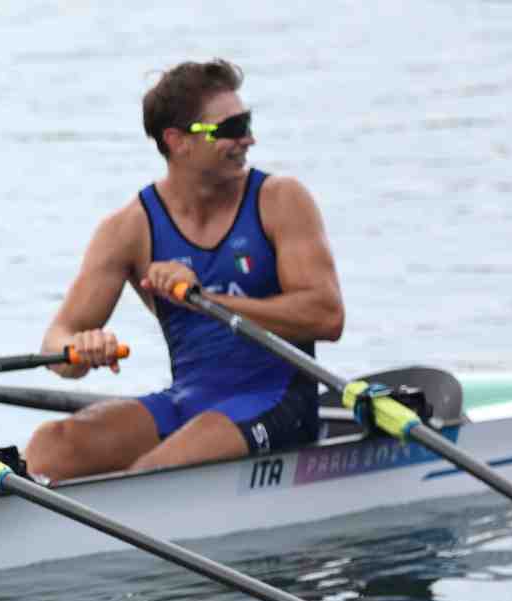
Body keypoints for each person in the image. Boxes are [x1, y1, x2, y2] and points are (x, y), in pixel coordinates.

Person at [23, 58, 344, 480]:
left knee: (155, 472)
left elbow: (326, 316)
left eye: (246, 122)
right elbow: (58, 343)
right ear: (177, 141)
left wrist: (205, 299)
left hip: (279, 401)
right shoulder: (129, 228)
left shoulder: (280, 200)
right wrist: (82, 349)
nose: (248, 139)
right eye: (231, 128)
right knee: (51, 447)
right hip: (190, 401)